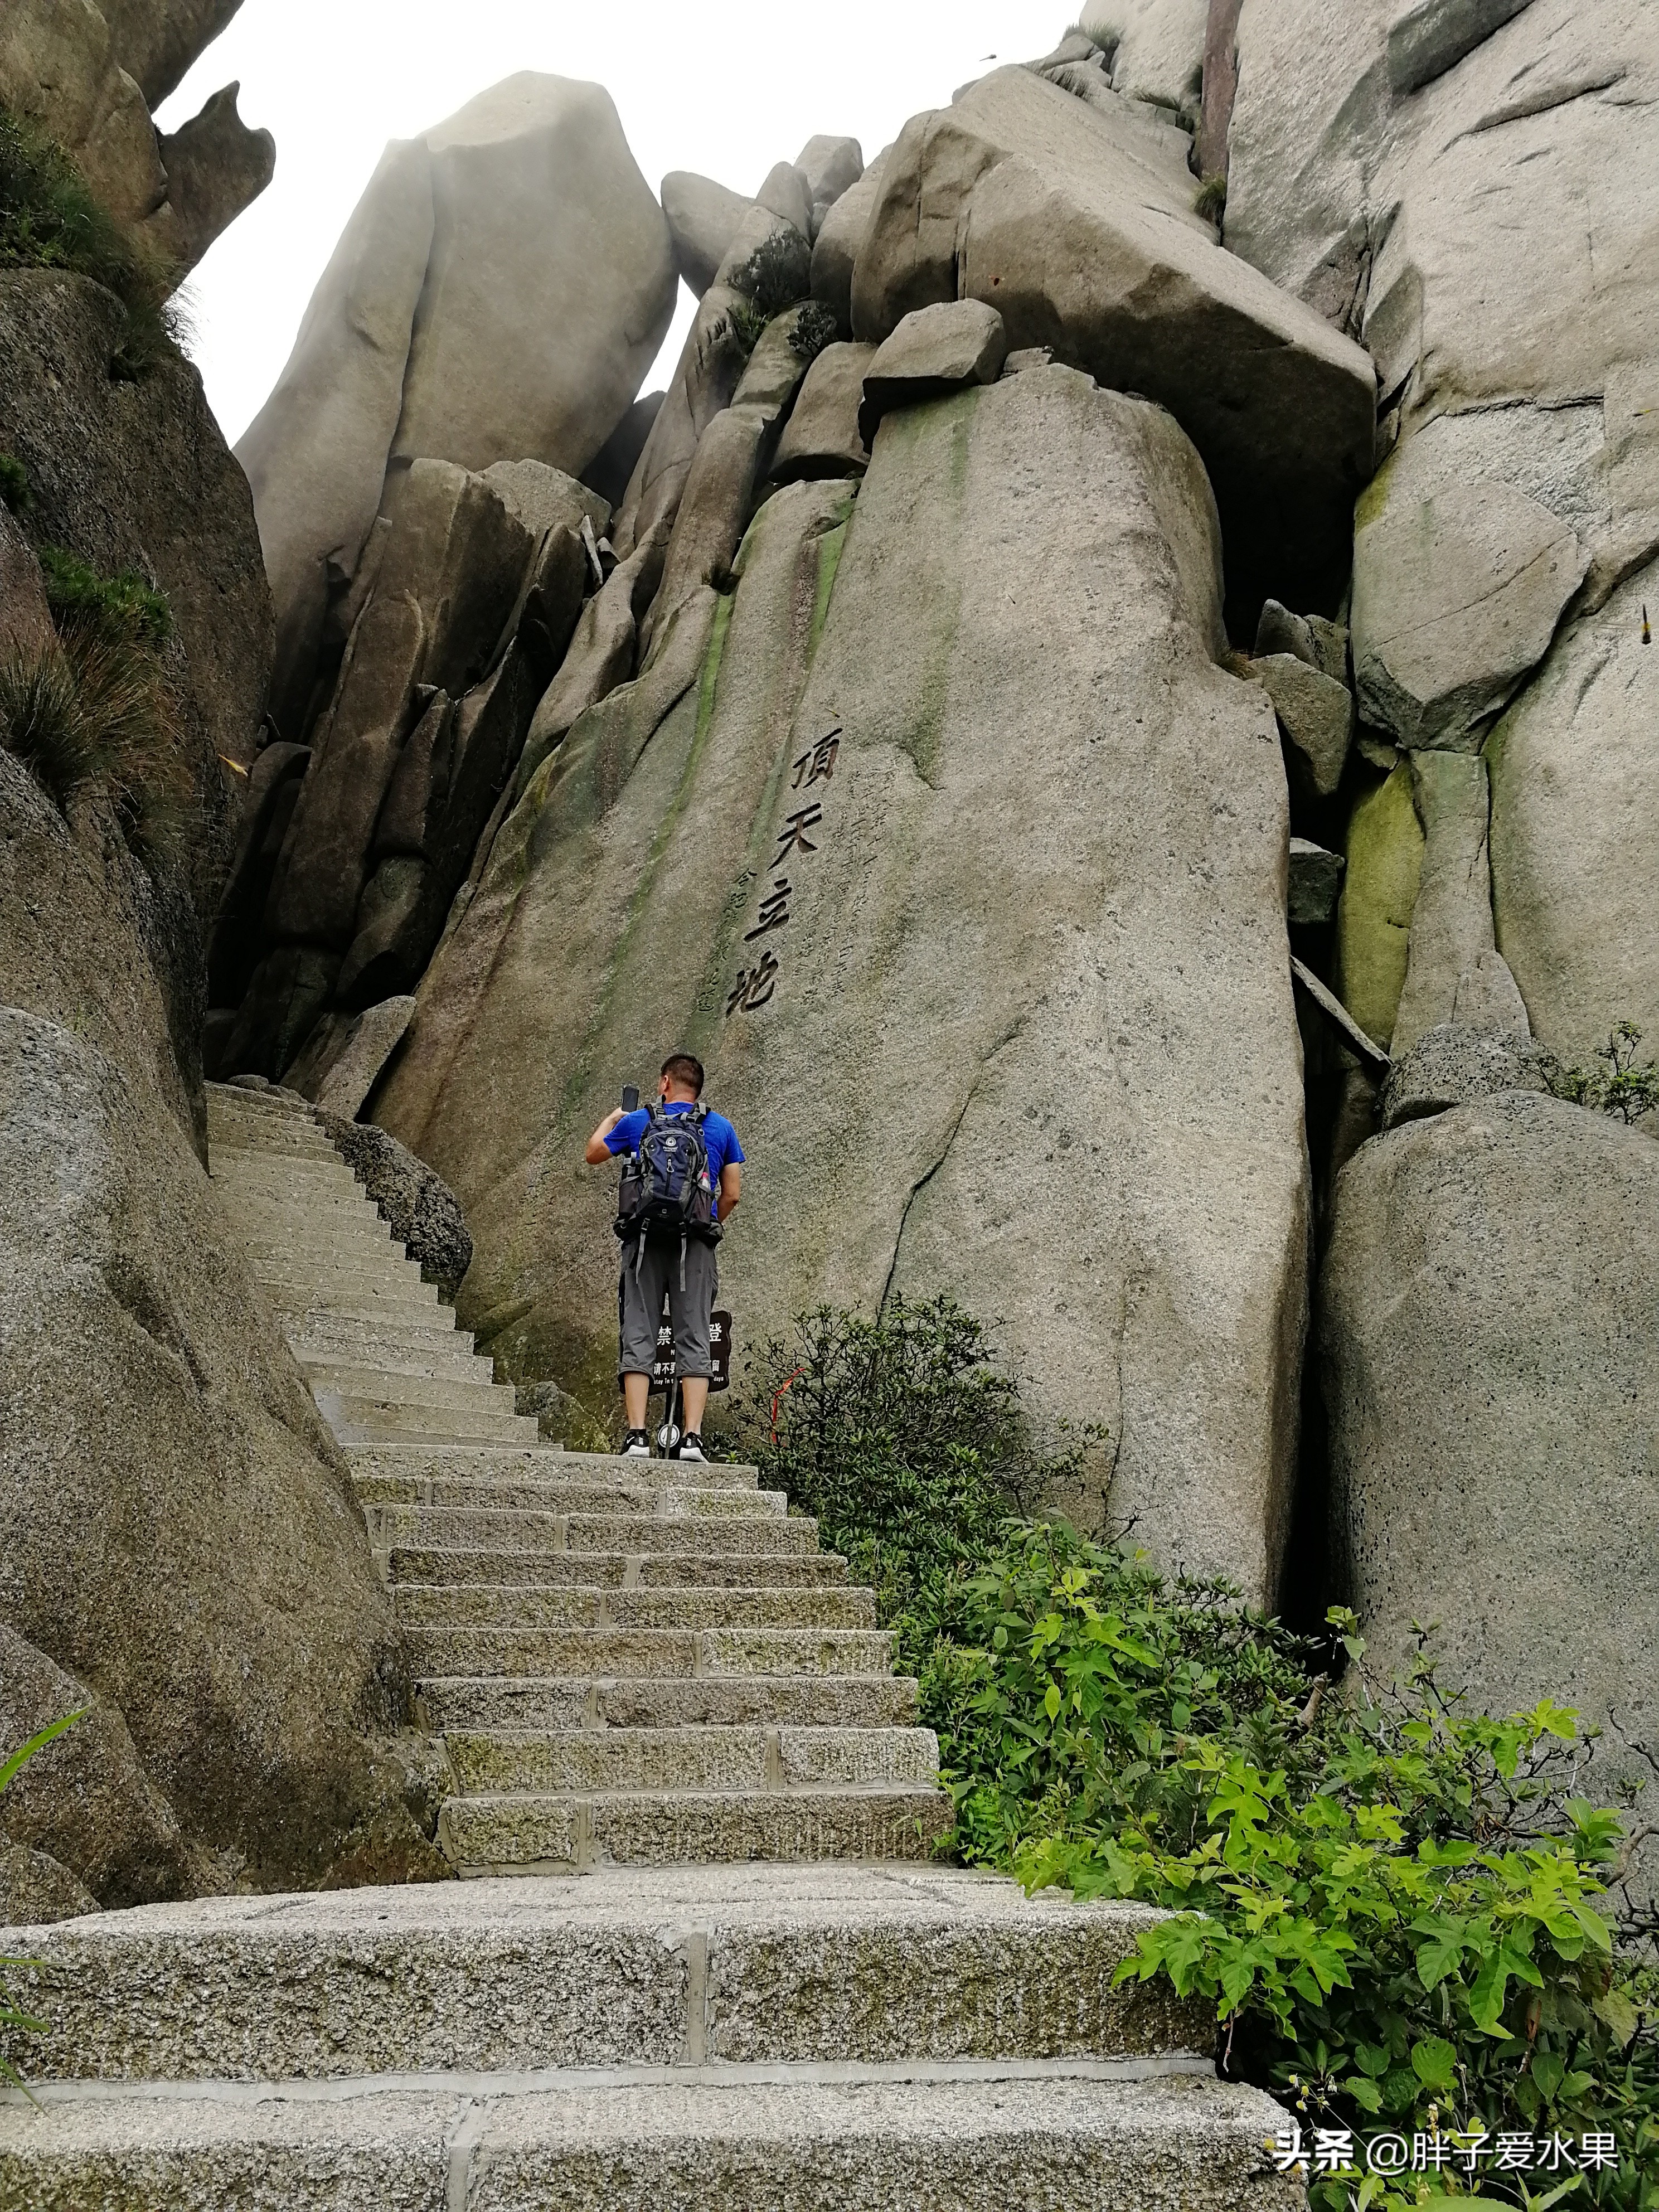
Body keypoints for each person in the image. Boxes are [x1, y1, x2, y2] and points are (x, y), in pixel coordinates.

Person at [584, 1052, 744, 1461]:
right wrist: (707, 1223)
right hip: (696, 1246)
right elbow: (732, 1194)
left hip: (643, 1243)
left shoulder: (640, 1122)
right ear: (698, 1090)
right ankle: (692, 1438)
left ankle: (637, 1437)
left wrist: (616, 1116)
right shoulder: (721, 1127)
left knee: (639, 1331)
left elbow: (593, 1153)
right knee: (694, 1335)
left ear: (664, 1083)